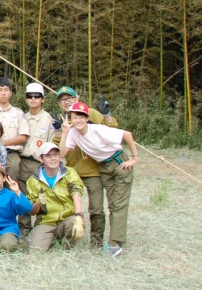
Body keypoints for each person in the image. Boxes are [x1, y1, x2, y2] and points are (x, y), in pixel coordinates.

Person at [59, 102, 139, 257]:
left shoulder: (98, 130)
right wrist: (64, 133)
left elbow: (127, 135)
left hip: (119, 163)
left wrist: (134, 158)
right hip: (104, 167)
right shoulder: (73, 133)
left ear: (87, 117)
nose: (78, 120)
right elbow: (62, 153)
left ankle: (115, 244)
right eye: (75, 117)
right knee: (111, 204)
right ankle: (112, 241)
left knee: (118, 205)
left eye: (81, 117)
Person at [53, 85, 117, 248]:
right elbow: (57, 149)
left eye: (69, 98)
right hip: (72, 170)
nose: (66, 102)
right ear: (59, 104)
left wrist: (106, 115)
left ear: (77, 99)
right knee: (66, 205)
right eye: (62, 100)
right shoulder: (60, 120)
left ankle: (96, 241)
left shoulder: (90, 113)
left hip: (93, 169)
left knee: (96, 208)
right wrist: (59, 132)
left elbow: (112, 131)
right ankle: (67, 237)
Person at [25, 143, 85, 252]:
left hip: (67, 218)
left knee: (74, 223)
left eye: (56, 155)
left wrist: (79, 215)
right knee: (35, 251)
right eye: (48, 156)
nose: (53, 158)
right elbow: (32, 212)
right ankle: (51, 239)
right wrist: (38, 202)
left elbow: (76, 193)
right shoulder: (33, 181)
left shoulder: (69, 172)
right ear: (41, 159)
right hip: (46, 222)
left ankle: (66, 247)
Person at [18, 82, 58, 236]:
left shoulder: (49, 120)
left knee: (42, 196)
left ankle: (42, 228)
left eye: (37, 96)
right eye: (30, 96)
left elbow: (53, 143)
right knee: (23, 196)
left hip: (40, 163)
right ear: (26, 99)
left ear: (43, 99)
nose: (33, 99)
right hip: (22, 161)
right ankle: (24, 228)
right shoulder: (21, 117)